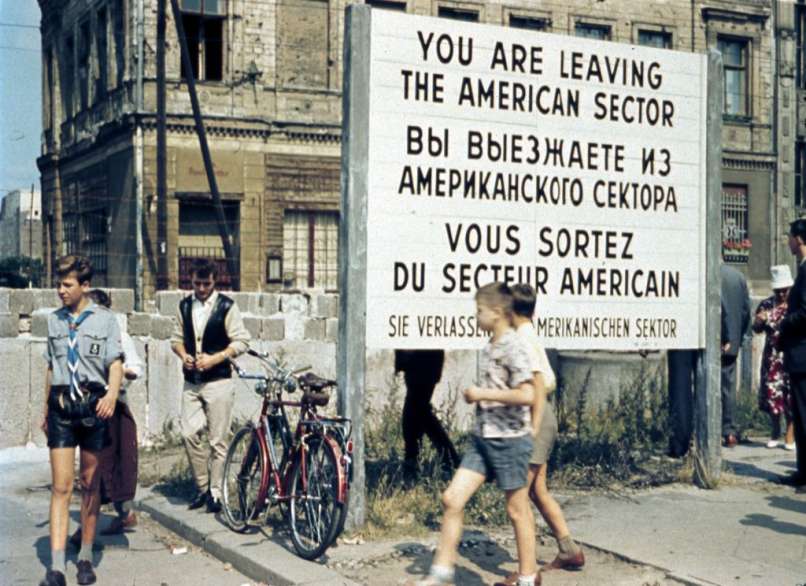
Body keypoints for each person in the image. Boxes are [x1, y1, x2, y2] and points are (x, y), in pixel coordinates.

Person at [409, 283, 539, 586]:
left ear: (496, 312)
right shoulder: (490, 345)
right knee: (452, 499)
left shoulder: (514, 345)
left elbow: (528, 393)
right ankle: (441, 575)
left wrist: (483, 393)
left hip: (509, 441)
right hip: (483, 440)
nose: (476, 316)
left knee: (517, 510)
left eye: (479, 310)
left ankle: (528, 577)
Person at [40, 255, 124, 586]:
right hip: (61, 405)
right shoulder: (53, 321)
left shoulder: (105, 320)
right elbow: (50, 365)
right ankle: (57, 566)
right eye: (58, 284)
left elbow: (115, 362)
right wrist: (44, 408)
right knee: (61, 486)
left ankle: (85, 557)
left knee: (90, 485)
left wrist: (111, 396)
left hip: (93, 405)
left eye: (67, 285)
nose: (60, 290)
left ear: (84, 286)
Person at [509, 284, 584, 573]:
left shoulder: (522, 340)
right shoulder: (528, 335)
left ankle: (526, 572)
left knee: (518, 497)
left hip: (535, 419)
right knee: (537, 490)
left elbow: (543, 381)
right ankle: (569, 550)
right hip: (543, 416)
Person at [170, 258, 250, 513]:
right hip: (192, 381)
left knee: (218, 440)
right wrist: (185, 356)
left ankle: (216, 492)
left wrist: (214, 358)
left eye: (206, 283)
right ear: (190, 281)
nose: (202, 288)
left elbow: (241, 342)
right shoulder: (184, 306)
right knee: (188, 433)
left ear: (214, 281)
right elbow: (176, 339)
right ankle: (202, 487)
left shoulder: (227, 307)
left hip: (219, 381)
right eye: (197, 283)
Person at [394, 349, 459, 478]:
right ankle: (414, 461)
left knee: (418, 412)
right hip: (419, 361)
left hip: (423, 360)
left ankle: (448, 459)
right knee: (417, 411)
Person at [752, 266, 795, 450]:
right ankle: (775, 430)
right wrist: (759, 321)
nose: (783, 294)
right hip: (772, 356)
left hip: (790, 354)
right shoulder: (766, 304)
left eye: (785, 290)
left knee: (790, 393)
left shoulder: (796, 303)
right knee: (773, 393)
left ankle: (790, 434)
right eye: (779, 290)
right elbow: (756, 329)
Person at [779, 218, 806, 490]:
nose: (787, 241)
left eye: (790, 236)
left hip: (802, 355)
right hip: (799, 355)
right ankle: (802, 471)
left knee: (803, 414)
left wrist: (784, 322)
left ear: (799, 239)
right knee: (799, 415)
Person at [720, 263, 752, 447]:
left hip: (711, 341)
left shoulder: (704, 272)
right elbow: (745, 310)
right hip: (732, 341)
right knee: (728, 388)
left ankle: (705, 429)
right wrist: (739, 336)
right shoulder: (738, 277)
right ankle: (729, 431)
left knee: (704, 386)